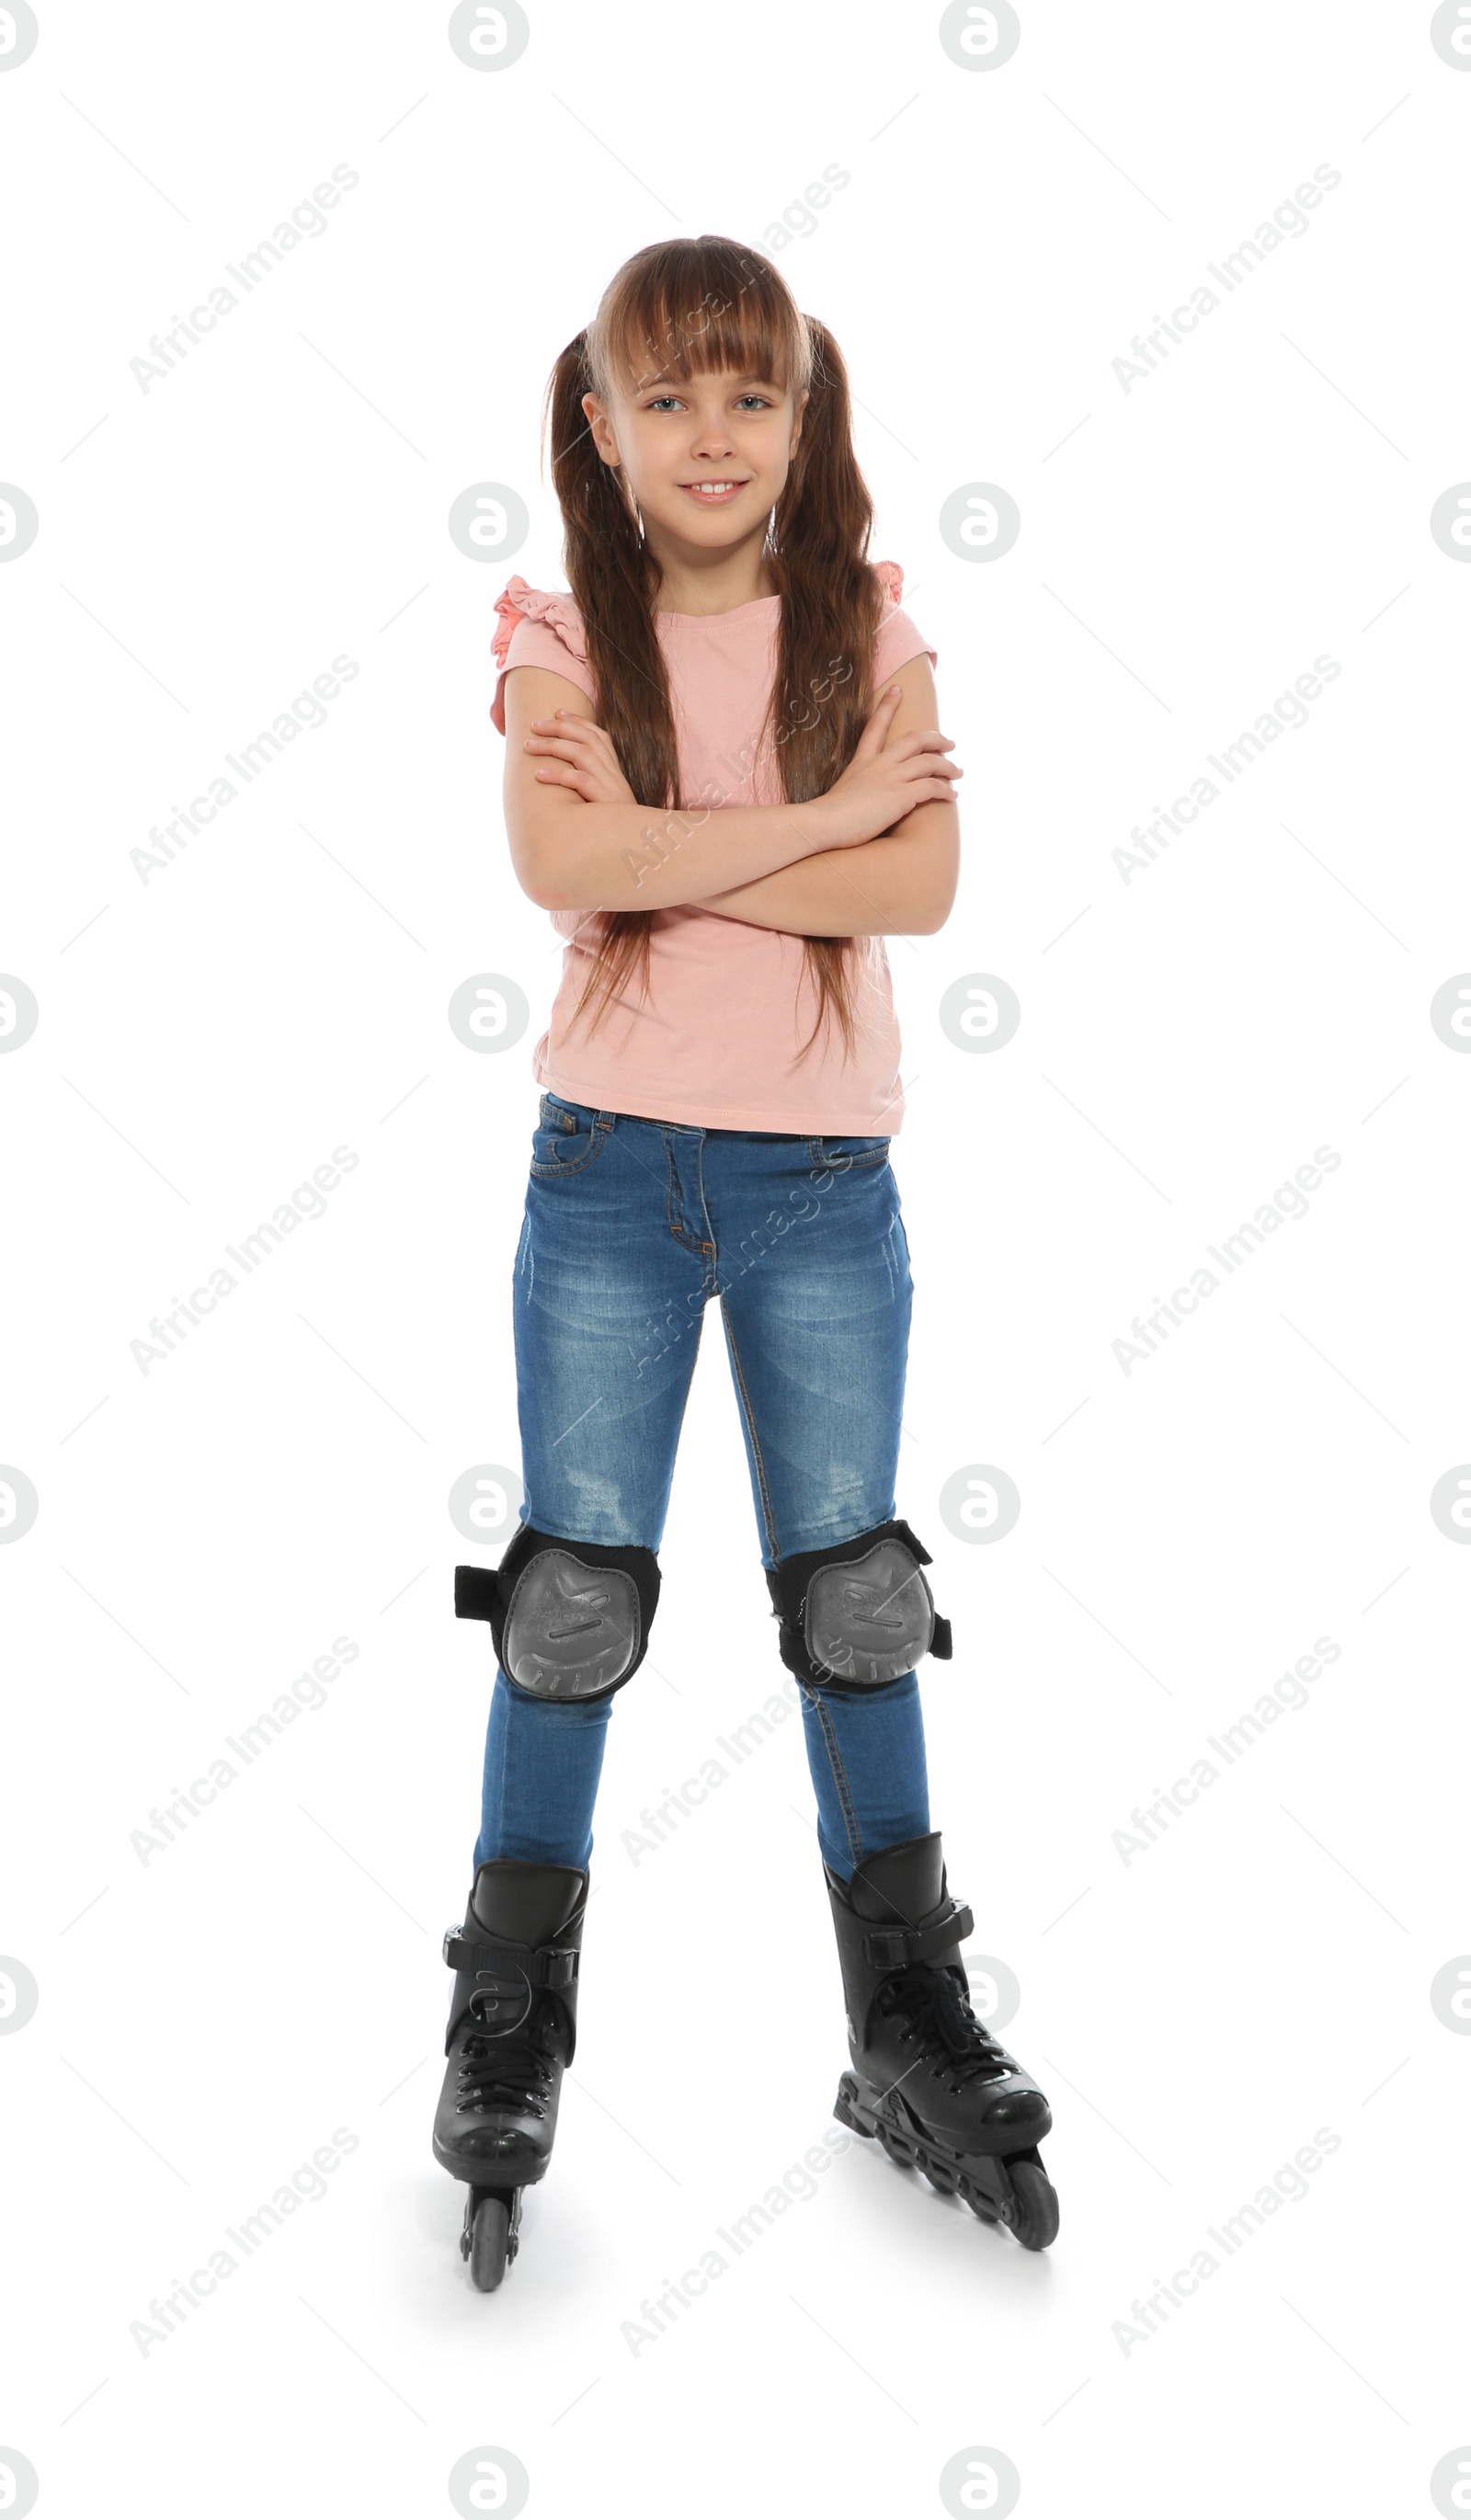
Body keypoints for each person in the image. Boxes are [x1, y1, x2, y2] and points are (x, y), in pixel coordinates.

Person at [433, 235, 1059, 2289]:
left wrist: (691, 831)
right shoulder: (553, 632)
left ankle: (903, 2019)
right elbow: (565, 866)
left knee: (856, 1595)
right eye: (670, 397)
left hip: (818, 1187)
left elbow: (930, 880)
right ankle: (506, 2013)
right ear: (598, 433)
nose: (714, 432)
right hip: (609, 1171)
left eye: (751, 393)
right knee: (575, 1601)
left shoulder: (868, 623)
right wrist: (816, 821)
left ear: (805, 421)